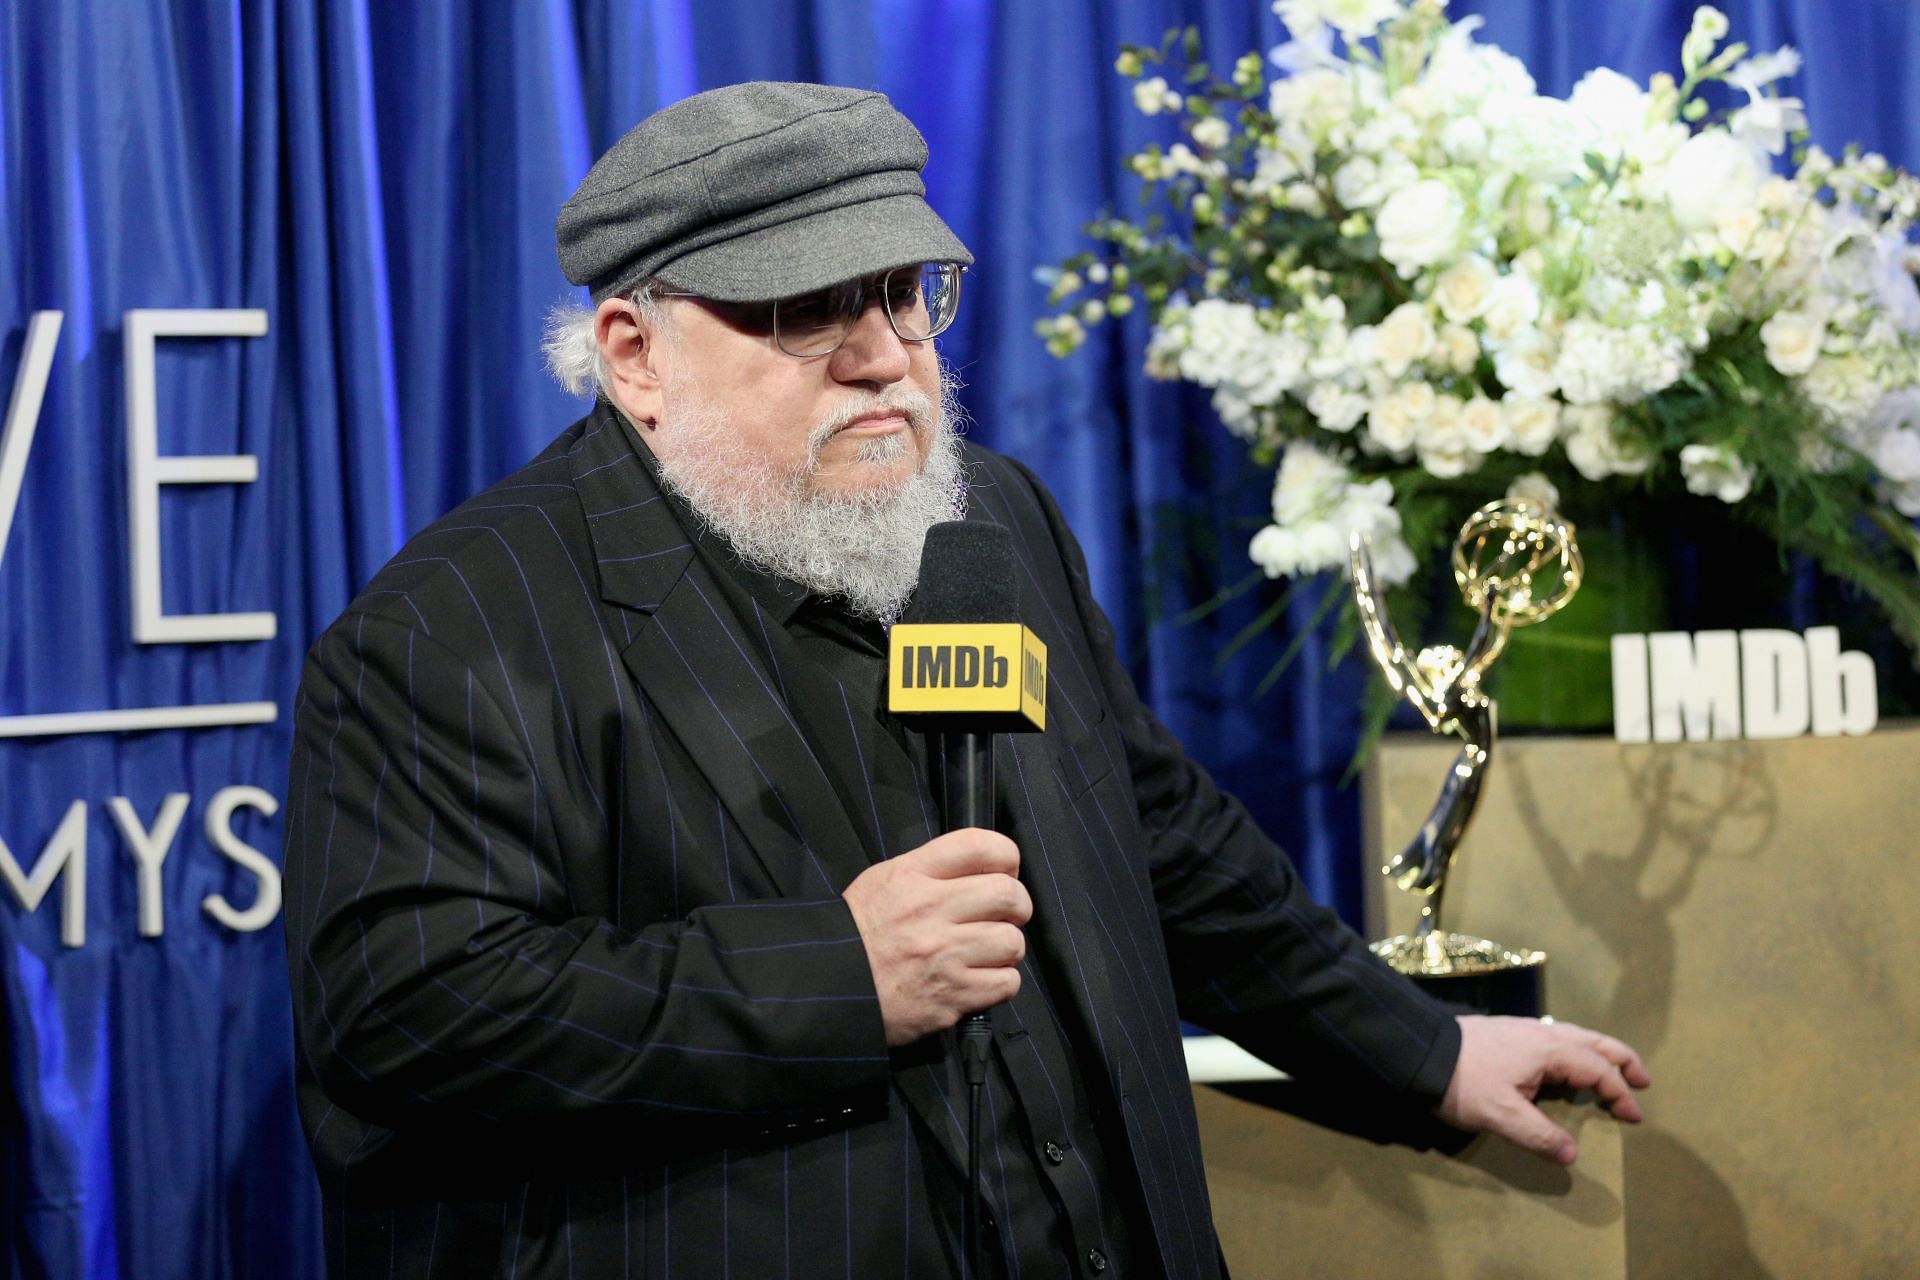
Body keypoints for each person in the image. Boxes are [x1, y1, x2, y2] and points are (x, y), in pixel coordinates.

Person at [282, 81, 1648, 1279]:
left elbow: (1153, 842)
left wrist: (1423, 1051)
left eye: (902, 292)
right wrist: (837, 974)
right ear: (636, 353)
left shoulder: (985, 525)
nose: (884, 353)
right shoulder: (456, 628)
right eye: (808, 307)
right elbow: (409, 1017)